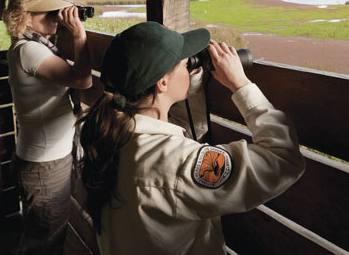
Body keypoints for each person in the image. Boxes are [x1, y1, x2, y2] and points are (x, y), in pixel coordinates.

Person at [76, 21, 305, 255]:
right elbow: (283, 159)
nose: (191, 67)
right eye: (186, 64)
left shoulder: (109, 130)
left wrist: (190, 81)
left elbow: (181, 134)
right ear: (162, 83)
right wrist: (240, 84)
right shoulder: (177, 163)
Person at [2, 0, 93, 255]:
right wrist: (79, 35)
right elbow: (83, 80)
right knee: (47, 241)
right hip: (44, 165)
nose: (56, 18)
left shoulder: (35, 45)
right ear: (25, 18)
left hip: (45, 158)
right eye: (49, 13)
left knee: (40, 233)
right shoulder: (29, 50)